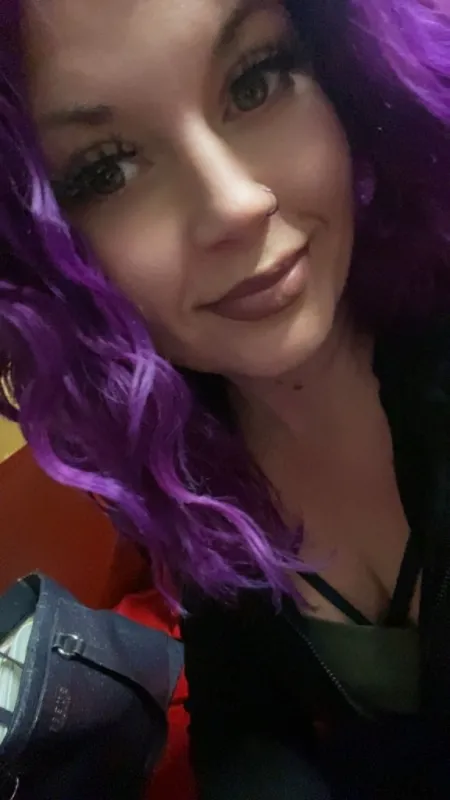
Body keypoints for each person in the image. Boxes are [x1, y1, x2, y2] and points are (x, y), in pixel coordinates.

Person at [1, 0, 450, 796]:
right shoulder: (187, 456)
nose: (236, 204)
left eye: (255, 81)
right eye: (107, 170)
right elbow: (244, 728)